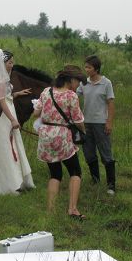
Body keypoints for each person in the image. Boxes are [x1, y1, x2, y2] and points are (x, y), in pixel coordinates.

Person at [33, 65, 87, 219]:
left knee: (55, 174)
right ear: (70, 80)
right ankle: (73, 209)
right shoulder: (71, 96)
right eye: (77, 81)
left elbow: (36, 112)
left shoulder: (46, 91)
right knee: (75, 171)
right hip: (62, 136)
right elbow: (78, 120)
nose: (78, 85)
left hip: (45, 137)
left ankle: (51, 211)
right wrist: (83, 132)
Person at [0, 49, 35, 195]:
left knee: (5, 145)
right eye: (10, 62)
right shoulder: (1, 80)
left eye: (12, 62)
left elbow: (5, 96)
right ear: (2, 63)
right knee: (6, 145)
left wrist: (16, 94)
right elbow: (1, 100)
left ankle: (8, 177)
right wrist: (12, 119)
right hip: (4, 115)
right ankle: (8, 181)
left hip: (5, 111)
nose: (12, 65)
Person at [77, 55, 116, 195]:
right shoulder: (83, 83)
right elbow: (74, 95)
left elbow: (111, 103)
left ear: (96, 69)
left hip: (100, 123)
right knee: (89, 153)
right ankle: (95, 181)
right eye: (85, 66)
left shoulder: (106, 83)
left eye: (89, 67)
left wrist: (109, 122)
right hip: (85, 123)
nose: (86, 69)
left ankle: (111, 185)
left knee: (106, 153)